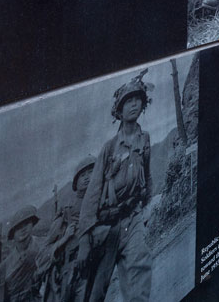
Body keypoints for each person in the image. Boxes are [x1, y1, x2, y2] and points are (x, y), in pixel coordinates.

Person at [77, 74, 153, 302]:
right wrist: (83, 239)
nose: (133, 105)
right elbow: (92, 194)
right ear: (119, 111)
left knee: (140, 270)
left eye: (137, 100)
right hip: (107, 227)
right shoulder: (108, 149)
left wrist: (145, 208)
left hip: (133, 218)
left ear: (143, 104)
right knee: (97, 290)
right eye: (127, 101)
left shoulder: (145, 139)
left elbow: (147, 175)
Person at [41, 157, 97, 302]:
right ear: (75, 183)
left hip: (95, 263)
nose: (87, 178)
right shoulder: (67, 209)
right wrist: (65, 238)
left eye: (91, 172)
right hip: (72, 269)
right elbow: (45, 249)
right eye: (82, 175)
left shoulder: (102, 198)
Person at [0, 206, 44, 302]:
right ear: (13, 234)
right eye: (18, 227)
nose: (23, 229)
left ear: (32, 224)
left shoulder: (43, 246)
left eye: (26, 223)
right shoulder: (3, 269)